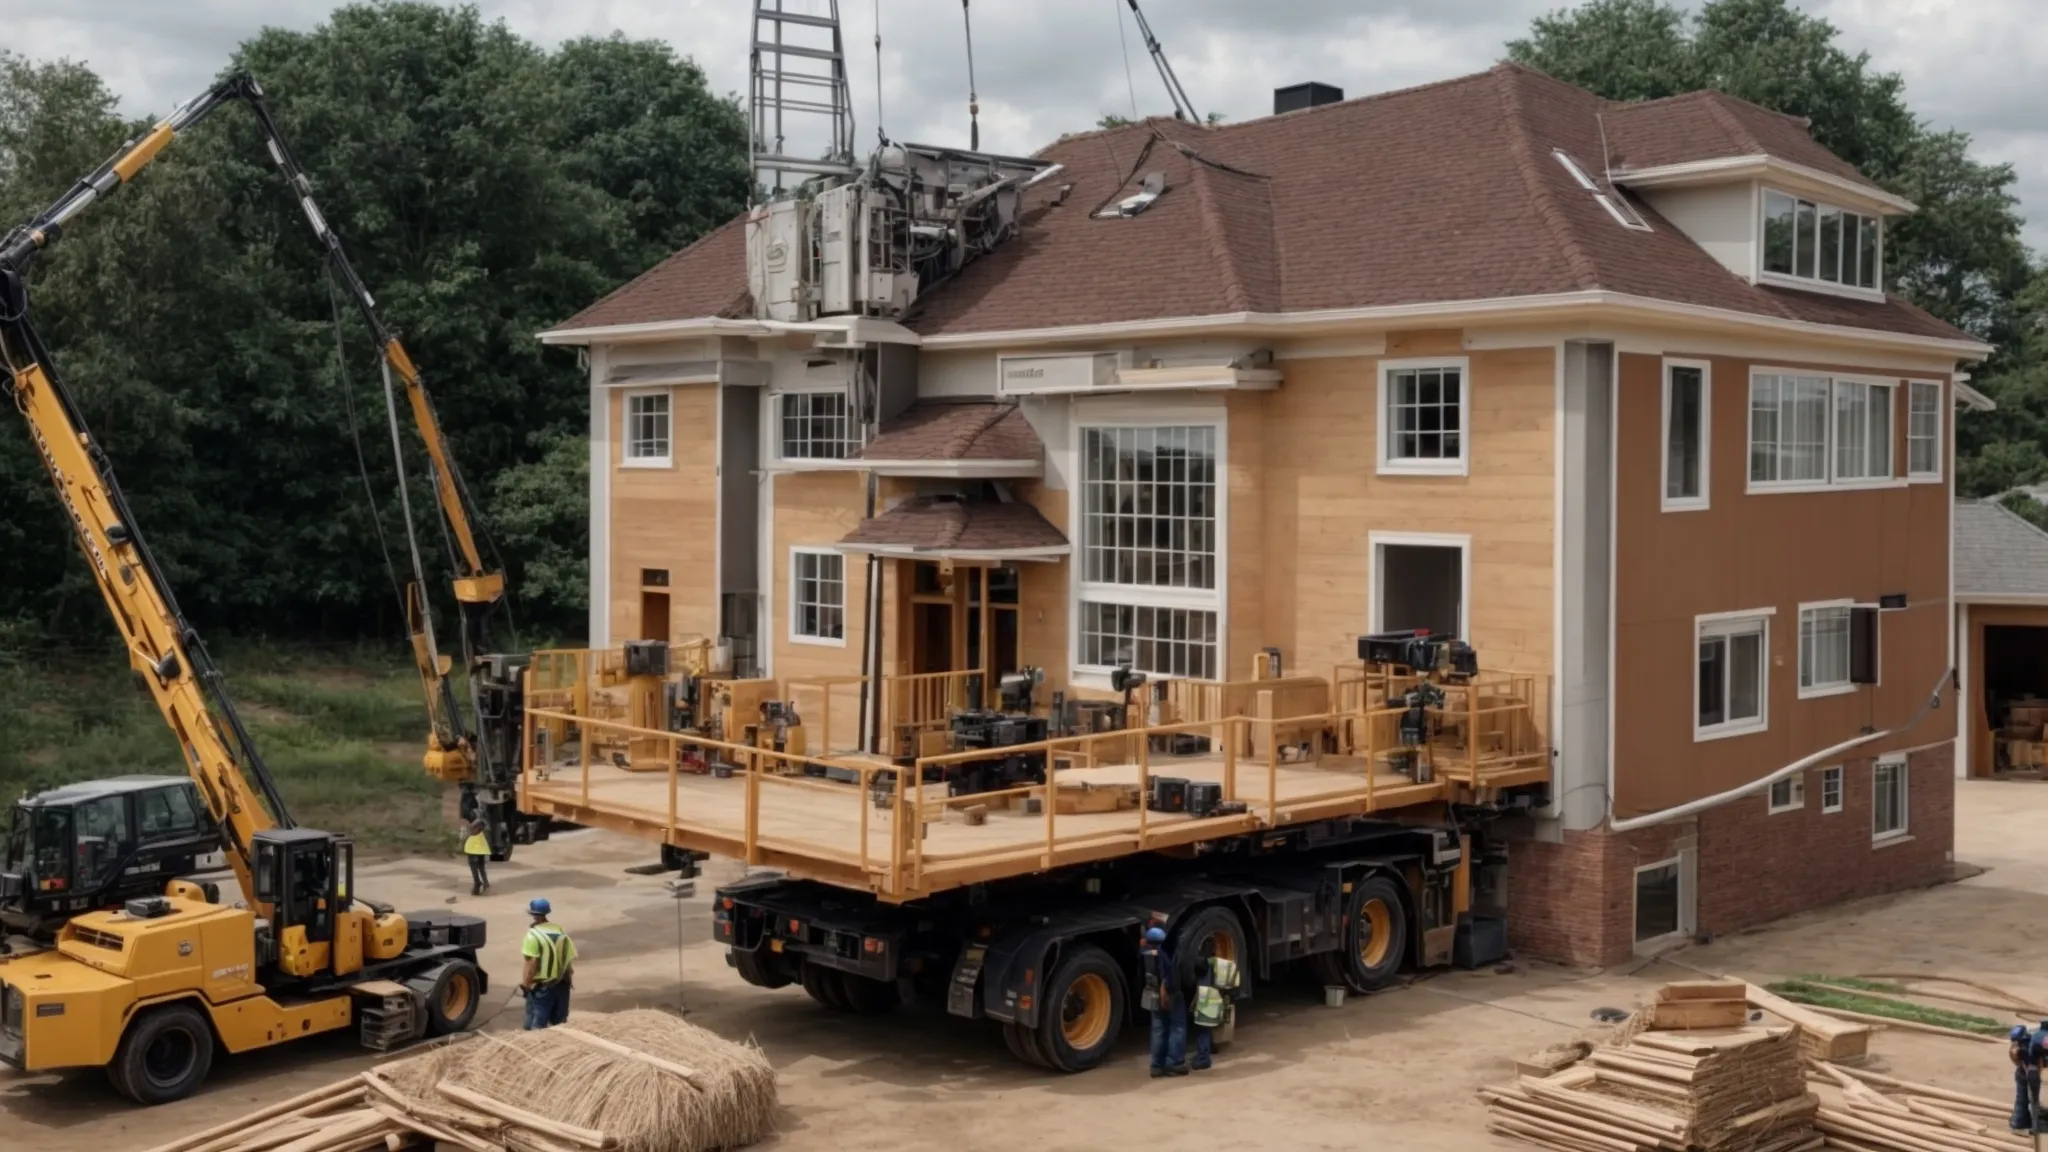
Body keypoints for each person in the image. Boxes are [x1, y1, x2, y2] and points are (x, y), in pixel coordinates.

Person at [521, 897, 576, 1030]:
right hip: (563, 985)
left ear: (533, 915)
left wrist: (526, 985)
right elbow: (569, 963)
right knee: (560, 1025)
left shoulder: (533, 935)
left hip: (543, 988)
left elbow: (531, 964)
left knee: (536, 1025)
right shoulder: (561, 932)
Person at [1187, 936, 1241, 1072]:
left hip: (1204, 1001)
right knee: (1208, 1027)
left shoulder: (1202, 962)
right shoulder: (1218, 963)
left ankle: (1203, 1059)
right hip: (1216, 1000)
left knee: (1202, 1030)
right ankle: (1211, 1047)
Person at [1140, 926, 1187, 1078]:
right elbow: (1166, 976)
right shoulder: (1162, 956)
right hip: (1167, 995)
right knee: (1177, 1027)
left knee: (1158, 1030)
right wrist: (1165, 993)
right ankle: (1174, 1063)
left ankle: (1156, 1065)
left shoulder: (1144, 953)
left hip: (1151, 993)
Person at [2012, 1024, 2042, 1134]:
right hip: (2030, 1074)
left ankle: (2021, 1122)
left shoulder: (2016, 1049)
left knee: (2022, 1099)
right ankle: (2032, 1126)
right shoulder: (2030, 1046)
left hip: (2022, 1073)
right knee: (2032, 1101)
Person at [461, 818, 491, 896]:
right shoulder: (482, 831)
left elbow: (471, 829)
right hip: (480, 849)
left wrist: (468, 828)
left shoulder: (473, 828)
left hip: (473, 850)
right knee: (481, 866)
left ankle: (477, 882)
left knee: (474, 866)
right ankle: (485, 882)